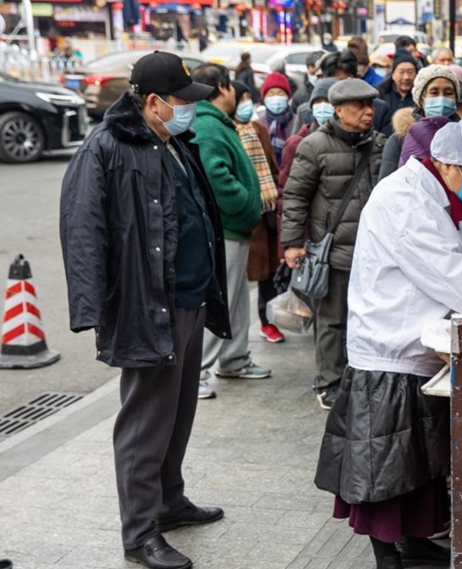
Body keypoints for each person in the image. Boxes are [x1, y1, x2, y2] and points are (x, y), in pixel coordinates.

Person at [314, 111, 462, 569]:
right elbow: (454, 278)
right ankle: (387, 553)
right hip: (391, 345)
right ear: (445, 163)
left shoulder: (437, 196)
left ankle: (414, 540)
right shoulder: (407, 200)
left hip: (417, 341)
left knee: (420, 461)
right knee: (386, 464)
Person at [60, 51, 230, 569]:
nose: (190, 112)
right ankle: (139, 533)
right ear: (153, 102)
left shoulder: (173, 140)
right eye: (182, 102)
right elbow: (81, 227)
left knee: (179, 412)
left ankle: (168, 500)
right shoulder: (106, 147)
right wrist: (92, 308)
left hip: (190, 299)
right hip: (146, 304)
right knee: (144, 422)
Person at [282, 79, 386, 410]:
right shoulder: (314, 146)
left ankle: (359, 377)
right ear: (339, 110)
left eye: (371, 105)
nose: (368, 112)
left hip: (373, 253)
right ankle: (328, 381)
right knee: (332, 320)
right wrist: (292, 243)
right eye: (359, 106)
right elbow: (295, 196)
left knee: (368, 319)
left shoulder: (381, 145)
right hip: (334, 252)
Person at [191, 64, 270, 388]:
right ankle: (197, 372)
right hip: (226, 227)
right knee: (221, 299)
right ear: (223, 88)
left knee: (236, 299)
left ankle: (234, 358)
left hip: (234, 228)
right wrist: (243, 203)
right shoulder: (209, 126)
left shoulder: (217, 123)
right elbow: (216, 174)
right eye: (233, 88)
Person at [232, 80, 284, 346]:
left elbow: (273, 169)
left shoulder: (259, 129)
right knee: (237, 278)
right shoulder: (227, 131)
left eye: (247, 99)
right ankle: (233, 341)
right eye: (239, 100)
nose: (245, 105)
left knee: (267, 274)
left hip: (266, 211)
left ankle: (268, 321)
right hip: (241, 213)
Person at [379, 65, 460, 181]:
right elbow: (386, 188)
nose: (441, 98)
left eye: (448, 93)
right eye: (434, 92)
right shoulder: (400, 139)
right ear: (421, 100)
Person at [293, 50, 393, 137]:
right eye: (331, 82)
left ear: (356, 78)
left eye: (342, 82)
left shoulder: (378, 110)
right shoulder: (306, 111)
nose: (337, 88)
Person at [280, 77, 338, 188]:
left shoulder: (350, 138)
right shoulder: (296, 143)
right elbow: (287, 187)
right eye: (318, 102)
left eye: (328, 101)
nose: (322, 106)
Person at [258, 72, 294, 166]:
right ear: (264, 98)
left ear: (287, 97)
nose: (276, 98)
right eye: (271, 94)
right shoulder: (258, 124)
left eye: (280, 93)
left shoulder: (297, 121)